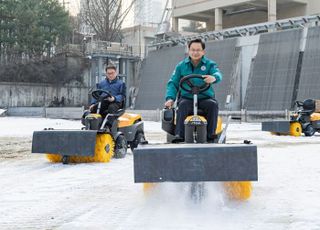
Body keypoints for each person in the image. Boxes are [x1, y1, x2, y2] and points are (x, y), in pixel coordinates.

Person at [164, 38, 222, 142]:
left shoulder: (210, 64)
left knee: (213, 105)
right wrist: (170, 98)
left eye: (198, 50)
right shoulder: (181, 66)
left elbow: (217, 74)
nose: (195, 52)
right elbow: (173, 83)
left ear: (203, 51)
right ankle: (179, 136)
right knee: (182, 105)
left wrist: (214, 78)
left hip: (205, 98)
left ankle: (210, 136)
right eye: (193, 50)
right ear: (188, 51)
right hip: (187, 98)